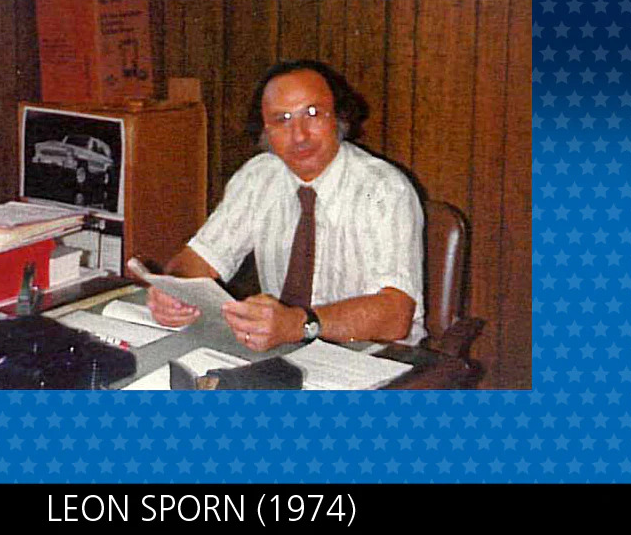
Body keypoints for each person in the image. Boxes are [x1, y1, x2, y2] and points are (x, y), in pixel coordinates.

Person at [147, 60, 425, 352]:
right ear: (266, 132)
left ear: (339, 118)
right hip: (288, 353)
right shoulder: (259, 177)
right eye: (282, 120)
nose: (300, 135)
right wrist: (172, 289)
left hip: (379, 359)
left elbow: (396, 314)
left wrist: (299, 324)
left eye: (313, 114)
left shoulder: (384, 190)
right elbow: (198, 259)